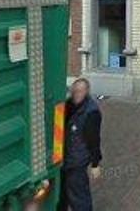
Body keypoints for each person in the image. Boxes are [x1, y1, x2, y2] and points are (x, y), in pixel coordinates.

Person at [58, 78, 102, 211]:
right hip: (65, 158)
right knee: (62, 195)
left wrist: (95, 164)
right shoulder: (69, 105)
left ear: (86, 92)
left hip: (77, 161)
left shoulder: (91, 112)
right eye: (75, 91)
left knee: (79, 196)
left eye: (80, 91)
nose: (76, 94)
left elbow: (94, 139)